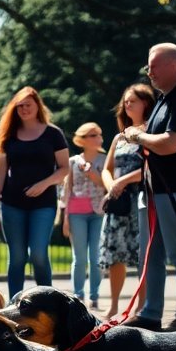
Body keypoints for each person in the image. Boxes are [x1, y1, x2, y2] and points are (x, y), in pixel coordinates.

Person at [122, 43, 176, 332]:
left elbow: (171, 144)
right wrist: (143, 136)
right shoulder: (165, 98)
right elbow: (157, 138)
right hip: (155, 189)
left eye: (154, 66)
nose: (149, 72)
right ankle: (150, 313)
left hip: (175, 188)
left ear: (173, 64)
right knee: (152, 255)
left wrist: (137, 136)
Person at [0, 86, 69, 300]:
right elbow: (0, 171)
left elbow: (64, 168)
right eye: (20, 106)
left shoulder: (53, 133)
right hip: (12, 204)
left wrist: (44, 183)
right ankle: (15, 304)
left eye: (28, 105)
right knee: (17, 257)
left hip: (43, 204)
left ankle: (50, 302)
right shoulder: (8, 135)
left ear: (37, 106)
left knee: (38, 255)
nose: (24, 109)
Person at [99, 84, 154, 318]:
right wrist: (112, 184)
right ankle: (113, 305)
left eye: (133, 100)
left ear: (146, 103)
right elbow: (106, 169)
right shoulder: (119, 137)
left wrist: (124, 181)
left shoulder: (151, 132)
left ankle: (142, 307)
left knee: (142, 255)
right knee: (115, 256)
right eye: (126, 101)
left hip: (139, 200)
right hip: (117, 203)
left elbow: (150, 167)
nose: (127, 104)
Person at [61, 122, 108, 309]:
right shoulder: (73, 161)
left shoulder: (105, 160)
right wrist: (65, 217)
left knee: (96, 258)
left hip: (99, 212)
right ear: (83, 139)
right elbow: (67, 189)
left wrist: (91, 173)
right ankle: (78, 295)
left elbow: (106, 185)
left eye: (99, 134)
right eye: (93, 135)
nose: (98, 138)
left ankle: (94, 295)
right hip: (76, 213)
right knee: (79, 258)